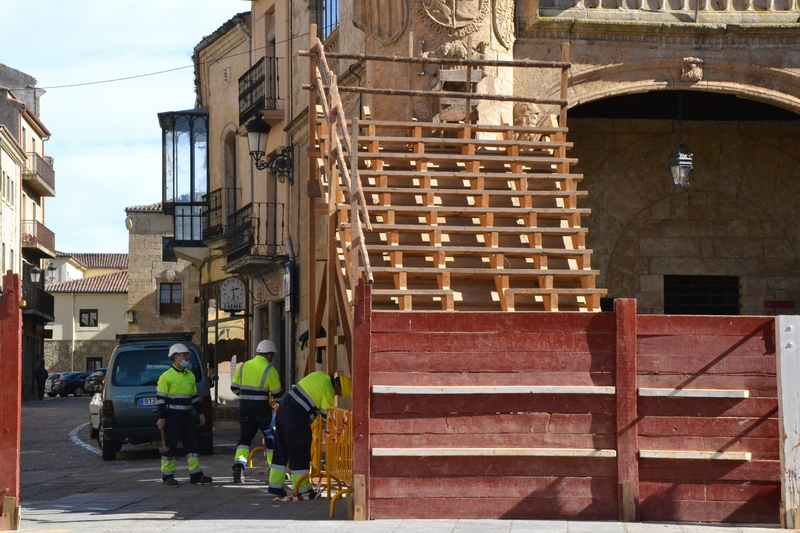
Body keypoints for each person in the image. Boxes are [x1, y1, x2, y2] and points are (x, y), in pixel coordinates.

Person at [268, 371, 352, 498]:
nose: (337, 395)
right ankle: (302, 489)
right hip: (296, 419)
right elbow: (326, 416)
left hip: (282, 412)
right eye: (339, 394)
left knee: (281, 449)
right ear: (338, 388)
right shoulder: (328, 390)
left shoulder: (319, 375)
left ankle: (275, 485)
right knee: (299, 453)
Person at [156, 343, 212, 486]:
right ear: (176, 357)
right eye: (184, 355)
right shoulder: (166, 377)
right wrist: (162, 417)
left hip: (187, 416)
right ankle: (168, 476)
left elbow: (194, 398)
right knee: (170, 447)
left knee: (193, 446)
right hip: (172, 417)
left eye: (187, 355)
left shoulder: (190, 376)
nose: (187, 357)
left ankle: (196, 475)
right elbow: (161, 399)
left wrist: (201, 413)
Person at [230, 339, 284, 483]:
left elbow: (234, 388)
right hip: (262, 410)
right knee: (271, 438)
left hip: (244, 408)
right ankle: (273, 470)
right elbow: (278, 394)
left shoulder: (244, 366)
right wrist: (281, 405)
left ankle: (239, 466)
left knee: (245, 439)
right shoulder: (269, 370)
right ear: (269, 355)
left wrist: (246, 395)